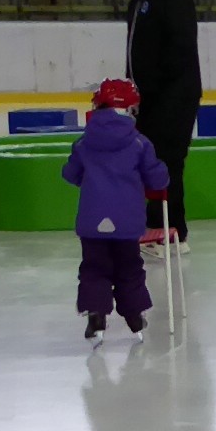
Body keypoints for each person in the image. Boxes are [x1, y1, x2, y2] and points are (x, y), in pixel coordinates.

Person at [62, 80, 169, 346]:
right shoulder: (140, 143)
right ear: (131, 109)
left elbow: (70, 174)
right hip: (126, 222)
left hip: (92, 223)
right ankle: (134, 316)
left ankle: (96, 315)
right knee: (129, 269)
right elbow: (158, 180)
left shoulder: (83, 143)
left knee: (94, 269)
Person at [115, 0, 200, 258]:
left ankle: (174, 234)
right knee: (148, 164)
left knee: (167, 163)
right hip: (147, 100)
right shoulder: (136, 4)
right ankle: (154, 229)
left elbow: (180, 51)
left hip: (174, 97)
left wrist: (150, 90)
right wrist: (131, 92)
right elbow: (135, 55)